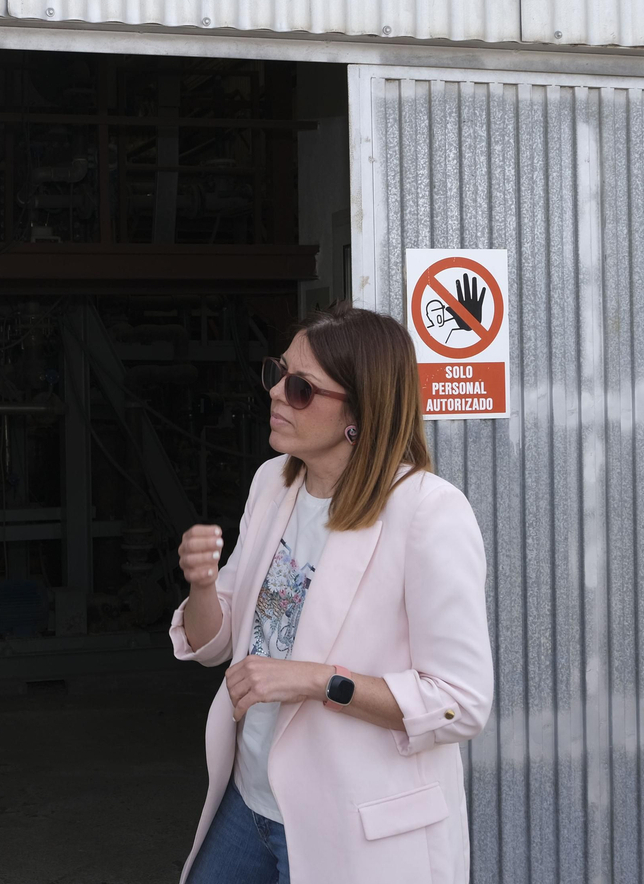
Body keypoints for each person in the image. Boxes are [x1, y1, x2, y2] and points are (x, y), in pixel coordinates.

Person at [171, 304, 493, 884]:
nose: (276, 394)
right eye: (276, 373)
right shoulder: (274, 483)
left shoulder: (428, 513)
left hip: (353, 824)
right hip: (250, 802)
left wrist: (317, 679)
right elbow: (214, 642)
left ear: (359, 413)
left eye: (301, 389)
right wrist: (200, 584)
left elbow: (460, 703)